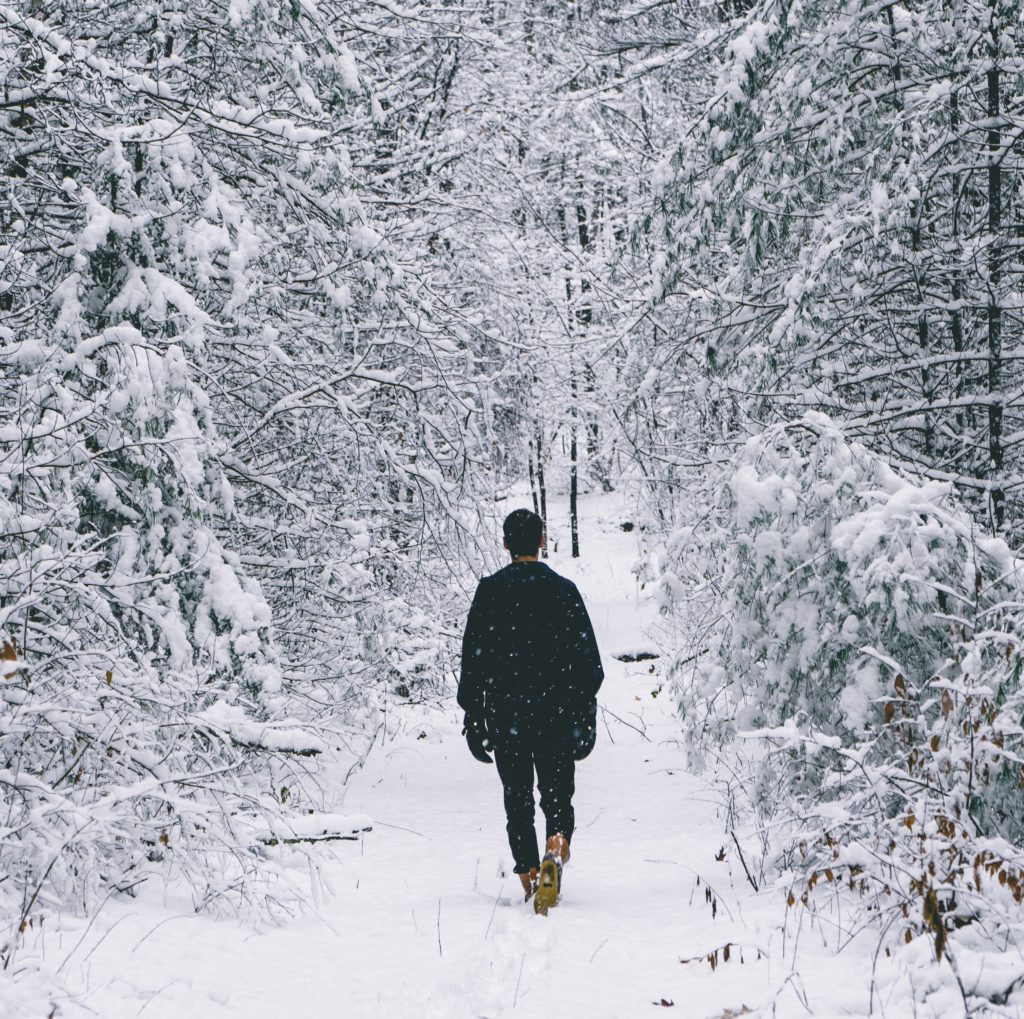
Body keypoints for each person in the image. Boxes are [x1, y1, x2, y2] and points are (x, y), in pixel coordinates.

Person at [458, 509, 604, 913]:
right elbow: (589, 665)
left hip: (508, 717)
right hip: (555, 715)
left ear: (506, 544)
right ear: (542, 541)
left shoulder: (489, 592)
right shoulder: (564, 591)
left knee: (517, 798)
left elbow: (473, 661)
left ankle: (528, 877)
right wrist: (583, 714)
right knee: (558, 796)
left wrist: (473, 716)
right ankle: (555, 847)